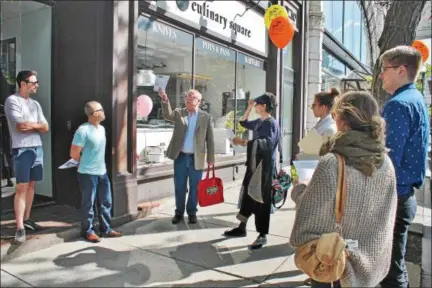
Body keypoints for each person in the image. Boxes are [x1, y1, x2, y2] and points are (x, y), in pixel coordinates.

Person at [290, 91, 398, 287]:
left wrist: (298, 191)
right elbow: (387, 219)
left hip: (333, 264)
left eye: (336, 114)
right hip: (370, 268)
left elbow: (308, 216)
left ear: (343, 121)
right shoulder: (386, 164)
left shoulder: (332, 162)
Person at [379, 46, 430, 288]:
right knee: (394, 266)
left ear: (401, 70)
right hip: (405, 194)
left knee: (390, 271)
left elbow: (387, 160)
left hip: (394, 197)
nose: (380, 75)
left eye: (384, 69)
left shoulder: (398, 105)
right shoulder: (416, 98)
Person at [223, 93, 280, 250]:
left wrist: (244, 141)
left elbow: (266, 144)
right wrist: (248, 107)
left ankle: (262, 235)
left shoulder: (270, 123)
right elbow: (243, 123)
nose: (255, 106)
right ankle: (242, 227)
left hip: (264, 168)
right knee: (248, 196)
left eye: (257, 104)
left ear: (263, 106)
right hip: (255, 165)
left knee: (261, 201)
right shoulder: (260, 122)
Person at [157, 88, 215, 224]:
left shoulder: (206, 117)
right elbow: (167, 115)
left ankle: (192, 212)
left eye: (192, 97)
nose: (188, 98)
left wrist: (211, 159)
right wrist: (165, 99)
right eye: (187, 96)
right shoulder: (179, 113)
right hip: (181, 157)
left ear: (199, 101)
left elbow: (210, 140)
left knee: (195, 187)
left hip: (197, 158)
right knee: (180, 186)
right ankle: (179, 213)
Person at [4, 70, 49, 243]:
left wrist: (33, 125)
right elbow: (20, 126)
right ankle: (19, 227)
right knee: (21, 188)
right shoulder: (12, 101)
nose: (37, 85)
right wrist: (36, 125)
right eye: (34, 82)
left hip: (37, 147)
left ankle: (27, 218)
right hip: (21, 149)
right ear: (23, 84)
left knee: (31, 186)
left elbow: (46, 127)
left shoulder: (35, 104)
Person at [70, 101, 122, 243]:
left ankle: (106, 229)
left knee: (106, 202)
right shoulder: (83, 130)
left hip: (102, 172)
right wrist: (84, 163)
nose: (105, 112)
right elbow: (74, 153)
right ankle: (88, 231)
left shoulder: (102, 129)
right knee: (89, 203)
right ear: (95, 113)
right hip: (87, 174)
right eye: (102, 110)